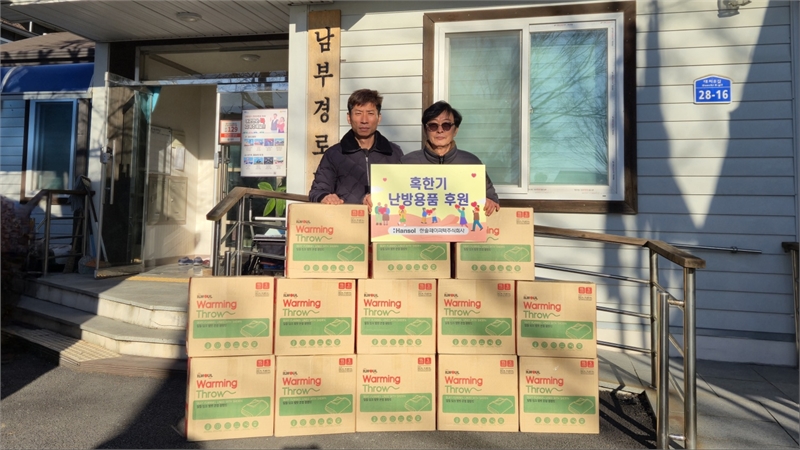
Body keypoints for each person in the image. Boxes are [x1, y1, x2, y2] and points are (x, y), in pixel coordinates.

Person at [400, 101, 500, 216]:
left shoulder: (471, 163)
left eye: (446, 125)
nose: (440, 130)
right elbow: (391, 195)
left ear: (455, 130)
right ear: (425, 130)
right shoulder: (407, 163)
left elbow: (491, 196)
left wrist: (489, 201)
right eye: (433, 125)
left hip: (460, 225)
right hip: (419, 225)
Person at [308, 89, 404, 206]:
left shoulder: (393, 153)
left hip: (384, 215)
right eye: (358, 113)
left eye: (370, 113)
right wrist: (325, 197)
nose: (364, 120)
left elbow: (403, 190)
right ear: (349, 117)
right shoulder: (334, 154)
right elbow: (317, 191)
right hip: (347, 217)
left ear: (379, 118)